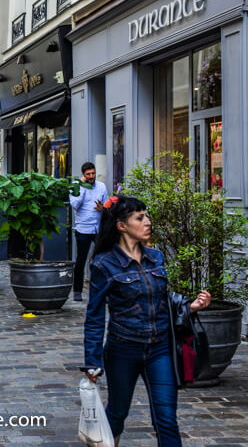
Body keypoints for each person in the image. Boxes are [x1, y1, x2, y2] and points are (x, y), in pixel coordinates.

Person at [83, 195, 211, 446]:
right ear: (122, 226)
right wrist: (92, 361)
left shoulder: (156, 258)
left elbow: (161, 300)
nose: (147, 222)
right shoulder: (103, 265)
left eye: (147, 216)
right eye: (140, 218)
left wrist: (191, 306)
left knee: (166, 419)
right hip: (123, 350)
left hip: (160, 349)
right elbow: (95, 317)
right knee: (117, 414)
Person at [69, 162, 108, 301]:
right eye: (88, 174)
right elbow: (75, 205)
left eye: (93, 173)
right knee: (81, 260)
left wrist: (102, 208)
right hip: (83, 229)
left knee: (102, 261)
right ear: (83, 175)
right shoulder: (75, 187)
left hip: (98, 229)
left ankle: (103, 291)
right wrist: (82, 187)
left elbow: (107, 206)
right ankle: (77, 291)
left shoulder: (102, 186)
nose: (91, 176)